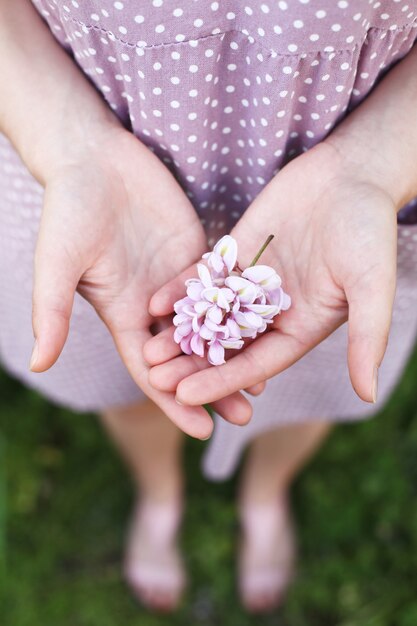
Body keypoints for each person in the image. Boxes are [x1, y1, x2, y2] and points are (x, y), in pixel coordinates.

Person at [1, 0, 417, 614]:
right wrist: (66, 141)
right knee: (136, 375)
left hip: (349, 182)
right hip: (82, 145)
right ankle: (159, 491)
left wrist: (379, 163)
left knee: (300, 380)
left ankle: (265, 493)